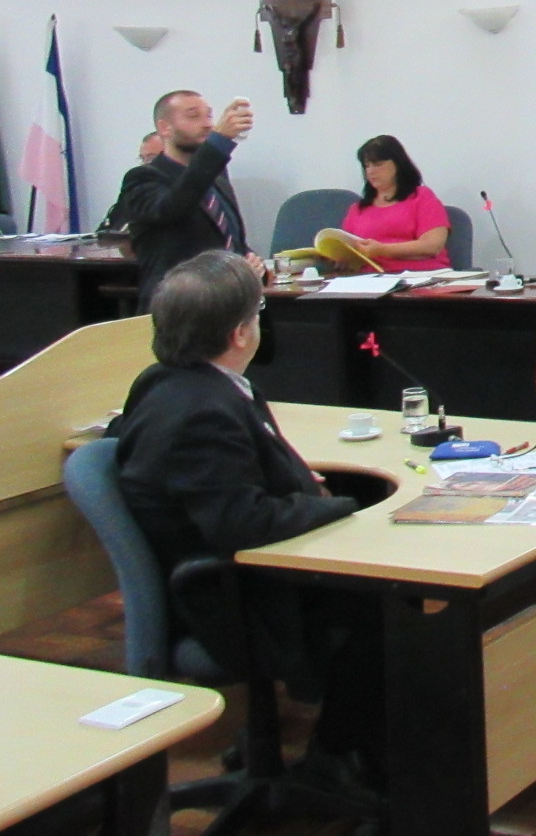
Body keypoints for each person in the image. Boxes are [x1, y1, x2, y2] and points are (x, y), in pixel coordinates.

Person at [107, 250, 380, 797]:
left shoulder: (167, 383)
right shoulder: (202, 412)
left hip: (229, 576)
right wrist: (340, 506)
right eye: (258, 313)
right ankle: (338, 754)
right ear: (238, 334)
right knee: (398, 604)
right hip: (232, 602)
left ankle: (339, 744)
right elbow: (242, 522)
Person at [115, 91, 261, 309]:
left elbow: (229, 238)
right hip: (179, 308)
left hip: (230, 303)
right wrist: (219, 141)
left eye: (209, 116)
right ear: (165, 128)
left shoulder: (217, 176)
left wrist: (251, 264)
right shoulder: (143, 179)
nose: (207, 125)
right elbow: (174, 206)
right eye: (194, 116)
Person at [339, 135, 450, 270]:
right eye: (367, 166)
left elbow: (432, 246)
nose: (371, 171)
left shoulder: (421, 197)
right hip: (370, 280)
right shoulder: (357, 209)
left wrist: (382, 250)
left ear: (398, 164)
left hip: (419, 277)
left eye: (378, 164)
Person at [96, 132, 165, 234]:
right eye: (143, 159)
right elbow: (107, 231)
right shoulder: (135, 189)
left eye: (151, 158)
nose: (145, 164)